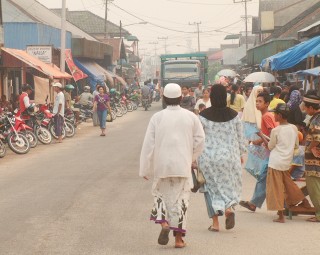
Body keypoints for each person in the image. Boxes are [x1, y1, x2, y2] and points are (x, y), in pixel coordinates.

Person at [139, 83, 205, 248]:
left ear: (164, 98)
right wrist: (192, 157)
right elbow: (200, 140)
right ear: (181, 98)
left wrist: (145, 168)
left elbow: (148, 144)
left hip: (162, 166)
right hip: (183, 166)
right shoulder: (191, 117)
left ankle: (164, 224)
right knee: (181, 201)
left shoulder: (157, 117)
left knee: (160, 196)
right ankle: (178, 240)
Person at [198, 84, 246, 232]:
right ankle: (229, 209)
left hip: (209, 158)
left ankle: (215, 224)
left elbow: (199, 139)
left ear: (211, 97)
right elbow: (241, 137)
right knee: (229, 184)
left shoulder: (203, 116)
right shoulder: (234, 115)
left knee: (211, 189)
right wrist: (241, 154)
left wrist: (194, 157)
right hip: (230, 157)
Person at [258, 103, 305, 223]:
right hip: (286, 162)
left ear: (279, 115)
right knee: (289, 185)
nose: (273, 115)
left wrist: (261, 136)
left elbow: (269, 146)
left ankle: (280, 215)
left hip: (275, 162)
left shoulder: (276, 130)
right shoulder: (294, 128)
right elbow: (295, 145)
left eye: (275, 113)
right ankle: (303, 201)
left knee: (276, 188)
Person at [240, 91, 278, 212]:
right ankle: (254, 202)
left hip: (273, 153)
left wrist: (260, 136)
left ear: (267, 103)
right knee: (265, 178)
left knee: (264, 177)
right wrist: (258, 141)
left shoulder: (266, 116)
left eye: (260, 101)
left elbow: (273, 135)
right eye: (256, 101)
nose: (257, 103)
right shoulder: (267, 115)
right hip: (271, 152)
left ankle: (254, 203)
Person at [302, 94, 320, 222]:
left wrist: (310, 148)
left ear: (311, 108)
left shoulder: (316, 119)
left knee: (314, 187)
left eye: (306, 107)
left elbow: (317, 137)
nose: (305, 109)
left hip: (314, 160)